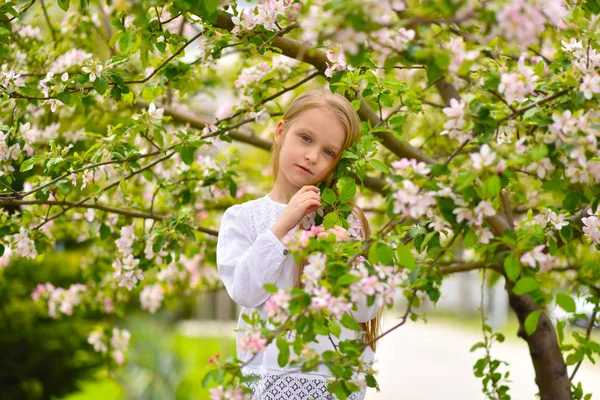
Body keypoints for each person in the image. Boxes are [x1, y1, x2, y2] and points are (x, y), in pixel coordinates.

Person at [216, 88, 382, 400]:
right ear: (281, 131)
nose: (312, 156)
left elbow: (366, 309)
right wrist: (283, 225)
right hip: (270, 380)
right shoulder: (244, 217)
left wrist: (346, 258)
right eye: (305, 138)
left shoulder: (342, 220)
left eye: (329, 152)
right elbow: (246, 292)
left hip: (332, 380)